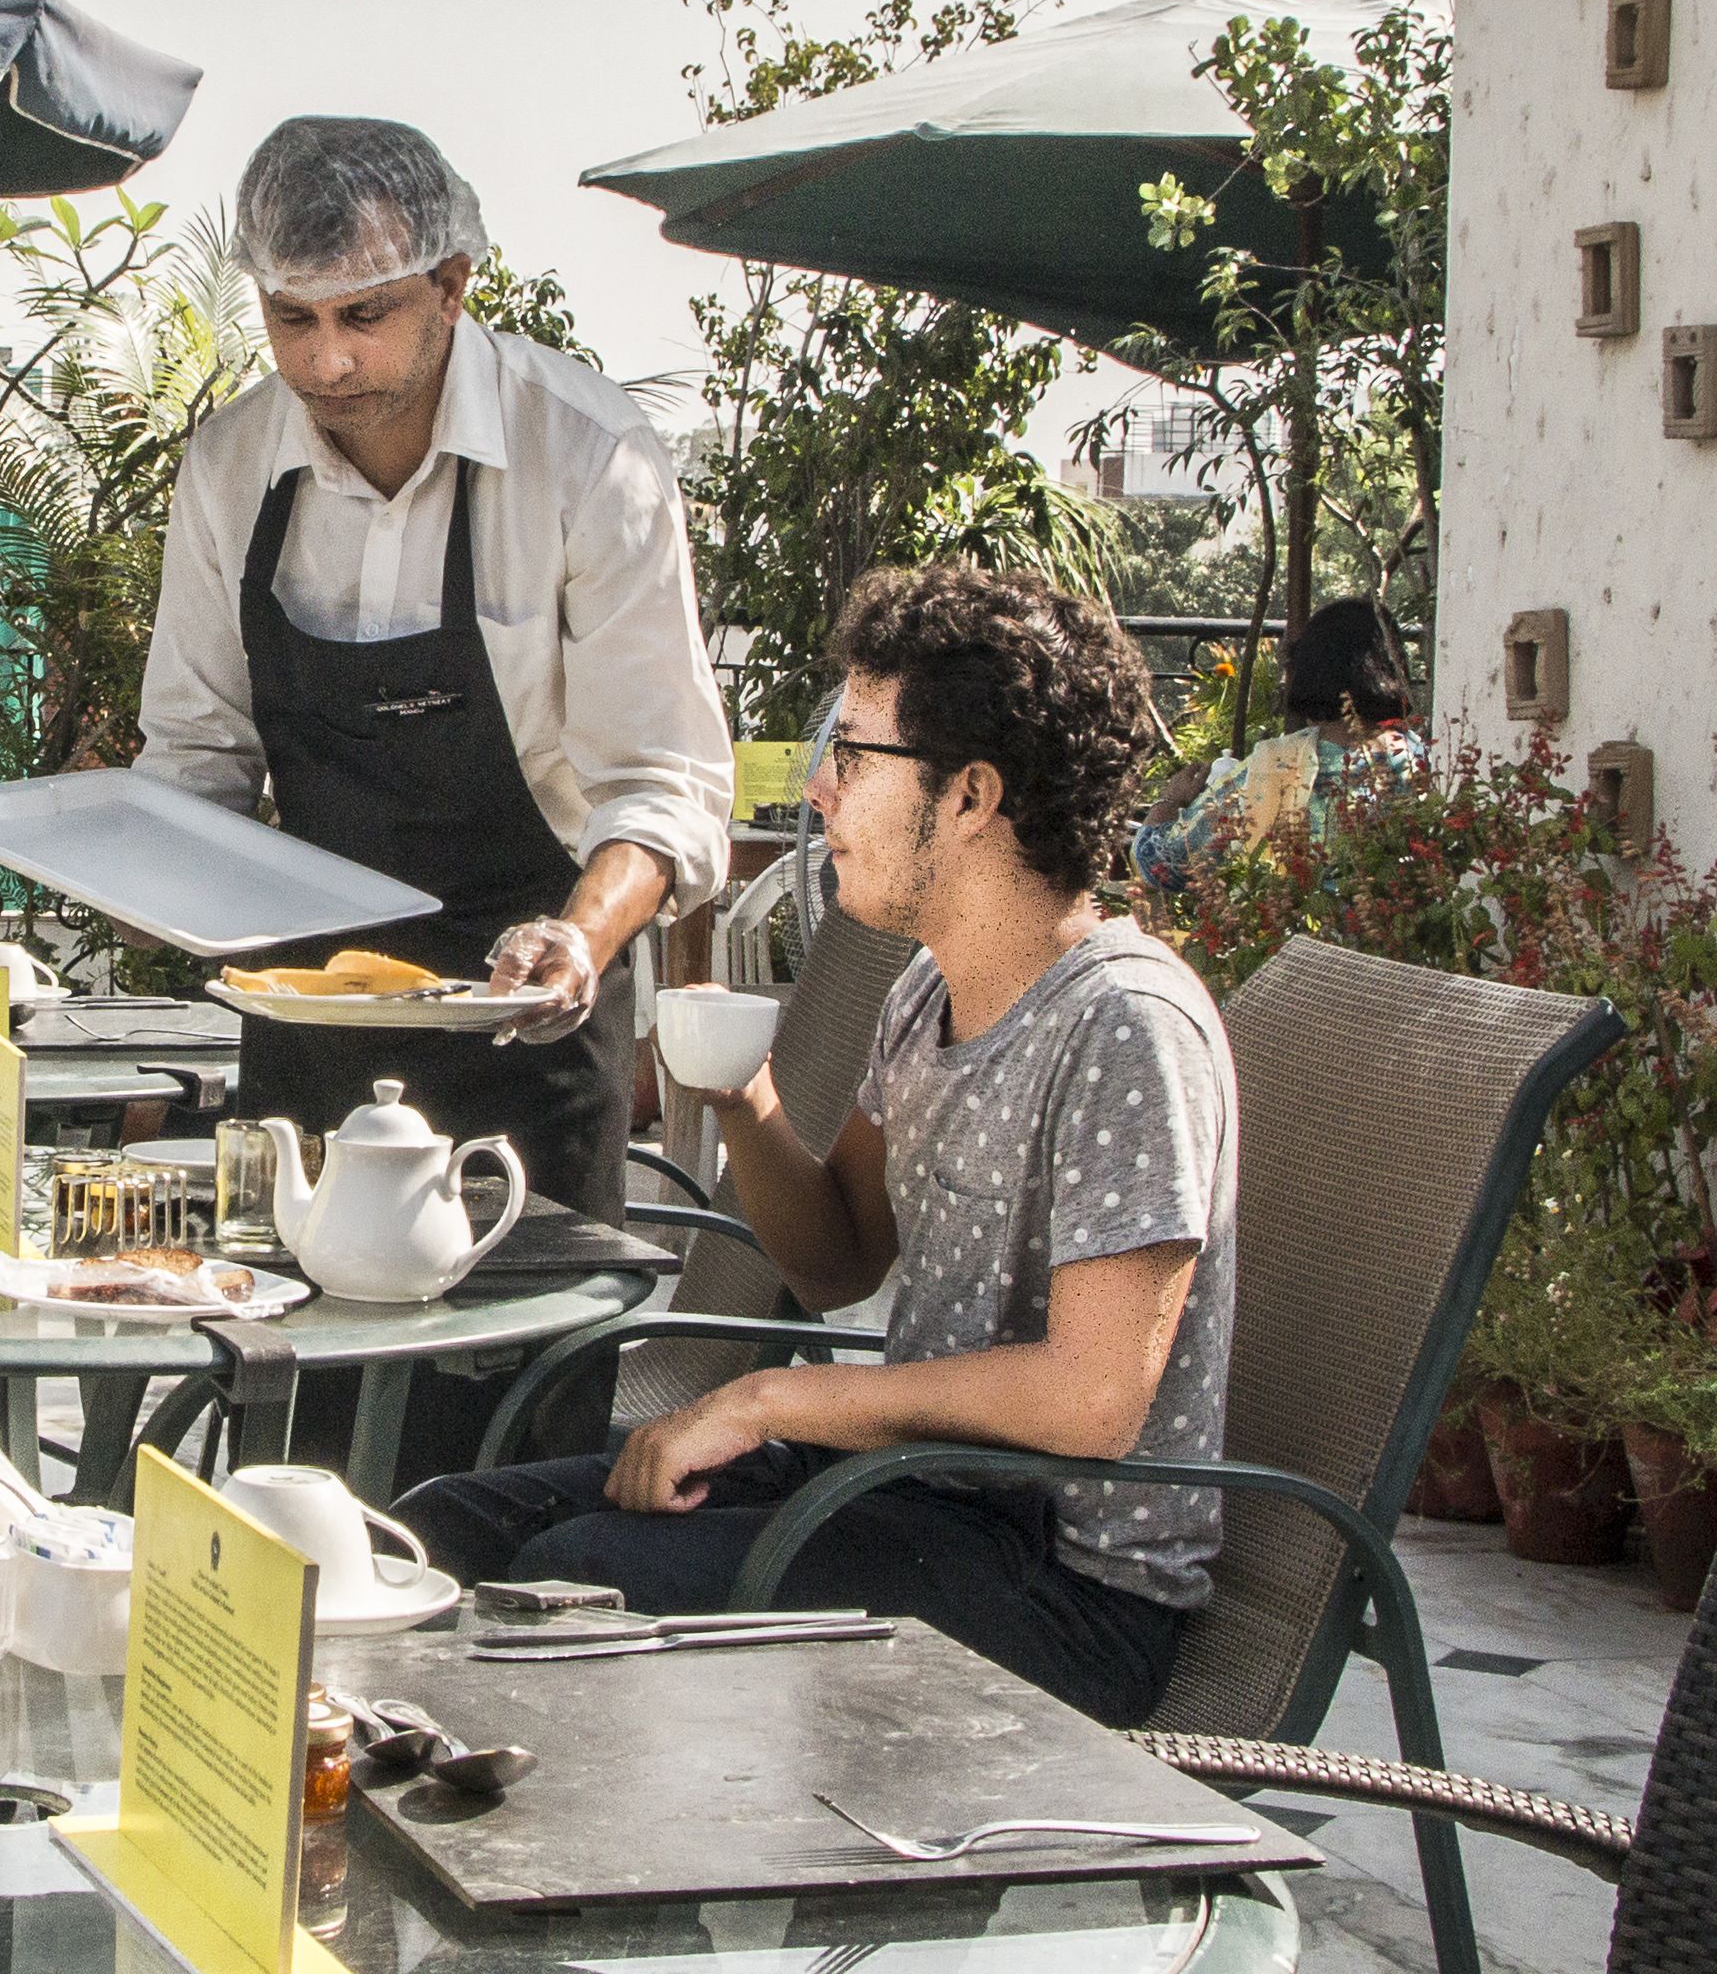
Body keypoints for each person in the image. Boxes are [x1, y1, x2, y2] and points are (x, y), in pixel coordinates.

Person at [396, 568, 1237, 1725]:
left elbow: (1092, 1400)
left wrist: (776, 1401)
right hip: (911, 1493)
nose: (821, 795)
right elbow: (838, 1261)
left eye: (851, 757)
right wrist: (745, 1100)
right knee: (445, 1525)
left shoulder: (1125, 1025)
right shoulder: (926, 990)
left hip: (1066, 1584)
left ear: (971, 796)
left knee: (579, 1580)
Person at [135, 116, 733, 1225]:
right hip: (307, 1031)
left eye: (365, 314)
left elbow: (662, 782)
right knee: (297, 1390)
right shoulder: (228, 469)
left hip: (530, 1028)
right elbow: (197, 752)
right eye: (291, 318)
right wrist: (137, 866)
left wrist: (580, 937)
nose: (327, 360)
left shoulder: (587, 456)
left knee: (513, 1393)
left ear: (452, 283)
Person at [1131, 594, 1422, 894]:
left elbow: (1162, 865)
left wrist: (1170, 800)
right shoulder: (1422, 764)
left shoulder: (1277, 764)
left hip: (1290, 936)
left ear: (1311, 669)